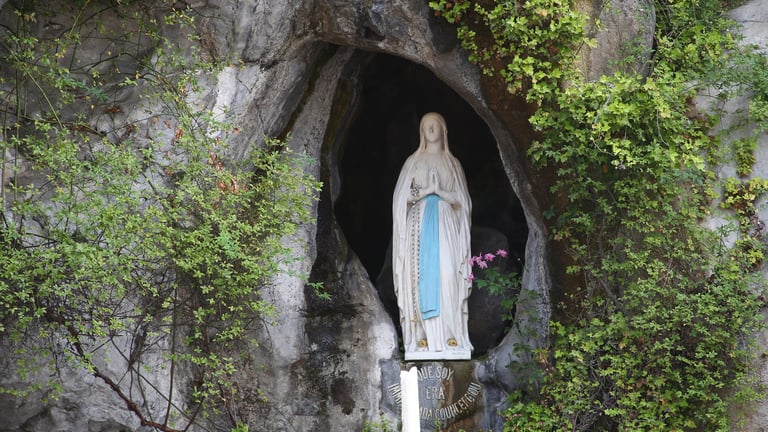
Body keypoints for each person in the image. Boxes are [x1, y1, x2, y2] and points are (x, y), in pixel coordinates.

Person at [392, 112, 473, 359]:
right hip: (418, 226)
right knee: (419, 276)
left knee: (448, 275)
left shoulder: (453, 164)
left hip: (445, 224)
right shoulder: (413, 162)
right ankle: (423, 338)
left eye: (434, 125)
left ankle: (451, 336)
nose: (430, 129)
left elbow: (463, 202)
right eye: (426, 126)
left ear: (443, 130)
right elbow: (400, 200)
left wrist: (440, 192)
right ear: (420, 132)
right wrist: (426, 191)